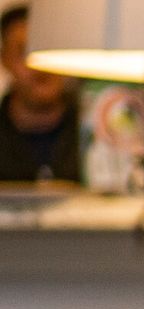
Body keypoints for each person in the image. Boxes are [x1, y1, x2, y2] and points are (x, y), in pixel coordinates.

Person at [0, 4, 81, 183]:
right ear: (4, 59)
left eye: (48, 50)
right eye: (24, 52)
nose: (38, 66)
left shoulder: (97, 128)